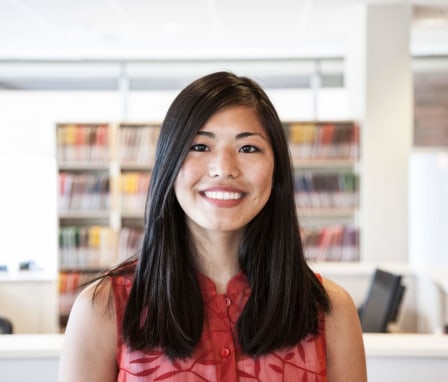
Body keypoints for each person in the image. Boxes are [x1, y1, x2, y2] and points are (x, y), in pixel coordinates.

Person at [58, 71, 367, 381]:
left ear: (277, 169)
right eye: (200, 147)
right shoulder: (103, 308)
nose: (224, 169)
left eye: (248, 148)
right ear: (170, 163)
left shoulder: (331, 311)